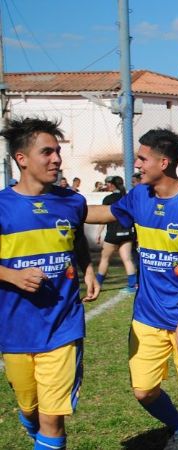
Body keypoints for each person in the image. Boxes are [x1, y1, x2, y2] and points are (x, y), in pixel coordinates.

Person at [85, 128, 178, 450]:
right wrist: (57, 202)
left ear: (164, 162)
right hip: (147, 315)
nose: (137, 165)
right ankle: (177, 423)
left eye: (143, 159)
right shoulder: (139, 196)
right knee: (143, 390)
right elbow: (103, 213)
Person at [0, 117, 100, 450]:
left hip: (63, 324)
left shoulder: (72, 202)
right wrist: (11, 275)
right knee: (30, 408)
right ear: (22, 158)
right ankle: (29, 420)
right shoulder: (2, 207)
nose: (56, 159)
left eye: (57, 152)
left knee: (52, 418)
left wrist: (86, 269)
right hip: (15, 328)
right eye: (47, 152)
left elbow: (77, 243)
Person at [95, 176, 137, 293]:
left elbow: (103, 218)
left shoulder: (108, 199)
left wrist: (98, 234)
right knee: (127, 259)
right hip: (127, 232)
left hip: (113, 233)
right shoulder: (127, 198)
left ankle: (97, 283)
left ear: (112, 185)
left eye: (109, 183)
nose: (107, 185)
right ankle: (132, 285)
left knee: (105, 259)